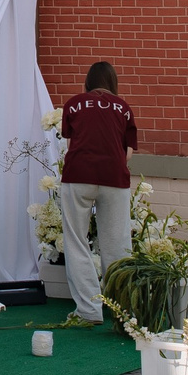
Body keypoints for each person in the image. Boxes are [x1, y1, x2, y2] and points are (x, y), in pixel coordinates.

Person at [57, 61, 137, 324]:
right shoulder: (123, 108)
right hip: (114, 177)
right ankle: (122, 309)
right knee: (117, 245)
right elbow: (128, 153)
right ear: (113, 82)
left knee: (76, 242)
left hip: (78, 175)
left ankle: (89, 310)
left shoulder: (73, 104)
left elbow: (71, 143)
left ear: (88, 82)